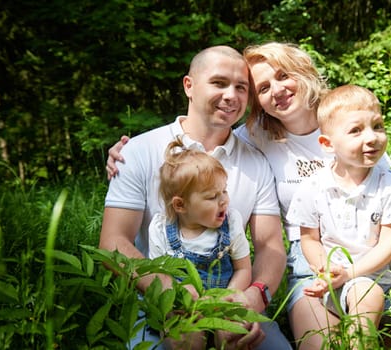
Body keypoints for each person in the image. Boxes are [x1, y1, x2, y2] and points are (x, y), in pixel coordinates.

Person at [106, 42, 391, 349]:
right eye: (262, 88)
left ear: (305, 73)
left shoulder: (353, 128)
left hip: (375, 260)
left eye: (282, 76)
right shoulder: (252, 142)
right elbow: (115, 240)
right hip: (309, 266)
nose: (275, 90)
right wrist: (126, 153)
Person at [99, 45, 291, 350]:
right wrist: (172, 297)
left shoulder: (256, 161)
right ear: (189, 86)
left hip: (232, 300)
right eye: (219, 83)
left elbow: (270, 246)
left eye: (241, 87)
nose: (232, 95)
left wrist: (253, 297)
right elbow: (113, 243)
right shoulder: (138, 151)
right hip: (159, 301)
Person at [286, 84, 391, 348]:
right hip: (332, 282)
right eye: (356, 130)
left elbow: (390, 244)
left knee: (366, 293)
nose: (372, 137)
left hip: (378, 280)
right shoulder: (313, 187)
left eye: (377, 126)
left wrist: (351, 273)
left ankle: (361, 343)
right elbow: (309, 239)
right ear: (327, 144)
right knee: (359, 296)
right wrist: (325, 269)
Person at [148, 137, 252, 348]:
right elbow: (159, 277)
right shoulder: (161, 229)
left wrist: (228, 297)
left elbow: (243, 269)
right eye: (212, 196)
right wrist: (177, 292)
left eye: (224, 190)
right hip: (183, 307)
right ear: (180, 205)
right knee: (185, 336)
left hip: (223, 303)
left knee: (233, 335)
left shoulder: (231, 222)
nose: (224, 200)